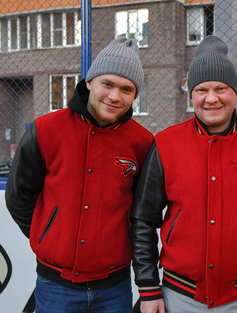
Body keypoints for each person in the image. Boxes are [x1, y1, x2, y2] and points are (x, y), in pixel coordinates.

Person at [130, 35, 237, 313]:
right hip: (180, 296)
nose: (211, 99)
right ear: (191, 95)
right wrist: (149, 288)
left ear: (236, 92)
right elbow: (143, 220)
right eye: (201, 90)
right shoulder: (165, 143)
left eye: (221, 88)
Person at [5, 37, 154, 313]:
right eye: (107, 84)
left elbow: (143, 212)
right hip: (55, 286)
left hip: (115, 287)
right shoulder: (46, 130)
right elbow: (18, 196)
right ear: (89, 82)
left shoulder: (143, 143)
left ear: (135, 95)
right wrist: (48, 234)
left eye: (126, 89)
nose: (114, 96)